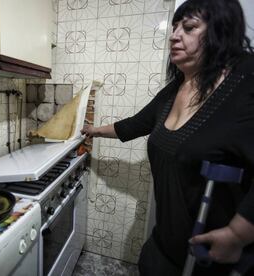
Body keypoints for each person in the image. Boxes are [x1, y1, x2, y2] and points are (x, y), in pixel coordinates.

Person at [81, 0, 254, 275]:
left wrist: (238, 233)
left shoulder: (246, 78)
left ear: (221, 31)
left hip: (215, 255)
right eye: (174, 28)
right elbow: (136, 124)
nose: (174, 35)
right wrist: (92, 131)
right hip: (167, 242)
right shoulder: (177, 88)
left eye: (189, 27)